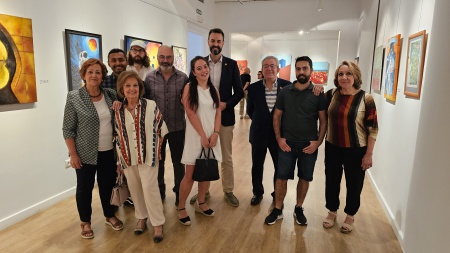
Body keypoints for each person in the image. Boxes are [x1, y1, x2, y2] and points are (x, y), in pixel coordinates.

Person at [62, 58, 123, 239]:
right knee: (84, 188)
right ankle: (85, 222)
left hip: (108, 152)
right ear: (84, 75)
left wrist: (119, 106)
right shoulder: (74, 97)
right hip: (84, 153)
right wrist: (73, 154)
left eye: (98, 72)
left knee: (107, 186)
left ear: (103, 75)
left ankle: (109, 215)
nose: (94, 75)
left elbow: (121, 116)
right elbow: (68, 128)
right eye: (90, 72)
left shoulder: (110, 94)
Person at [265, 56, 327, 226]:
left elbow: (323, 121)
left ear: (311, 71)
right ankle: (277, 209)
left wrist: (318, 142)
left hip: (309, 145)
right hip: (287, 144)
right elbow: (276, 116)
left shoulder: (318, 93)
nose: (301, 72)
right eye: (298, 69)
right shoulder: (285, 92)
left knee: (305, 177)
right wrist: (279, 138)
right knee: (281, 177)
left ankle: (298, 208)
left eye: (305, 68)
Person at [190, 28, 244, 207]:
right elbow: (192, 88)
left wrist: (226, 104)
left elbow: (239, 92)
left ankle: (228, 190)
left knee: (226, 157)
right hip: (204, 119)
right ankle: (202, 193)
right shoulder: (200, 64)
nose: (215, 44)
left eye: (219, 41)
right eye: (213, 41)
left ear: (223, 43)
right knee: (204, 155)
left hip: (225, 118)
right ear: (208, 42)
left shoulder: (232, 64)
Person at [322, 60, 378, 234]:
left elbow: (373, 128)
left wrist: (369, 154)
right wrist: (316, 88)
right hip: (332, 146)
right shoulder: (330, 94)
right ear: (336, 77)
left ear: (355, 76)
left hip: (356, 149)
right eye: (340, 74)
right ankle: (332, 211)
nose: (344, 77)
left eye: (348, 74)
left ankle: (350, 214)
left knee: (354, 183)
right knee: (331, 180)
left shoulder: (366, 98)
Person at [114, 70, 167, 243]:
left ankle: (157, 223)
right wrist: (118, 160)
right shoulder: (117, 109)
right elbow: (116, 136)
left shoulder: (150, 105)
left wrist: (157, 151)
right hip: (127, 157)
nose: (131, 89)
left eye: (135, 85)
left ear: (140, 87)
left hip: (148, 156)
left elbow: (161, 129)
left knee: (150, 189)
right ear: (122, 88)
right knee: (135, 190)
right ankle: (141, 217)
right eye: (127, 85)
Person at [177, 56, 222, 225]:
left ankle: (200, 202)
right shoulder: (189, 87)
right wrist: (203, 135)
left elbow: (218, 112)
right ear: (194, 72)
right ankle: (181, 207)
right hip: (196, 136)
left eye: (205, 67)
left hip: (212, 136)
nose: (204, 70)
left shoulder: (214, 89)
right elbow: (190, 112)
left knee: (206, 171)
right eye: (199, 68)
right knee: (189, 175)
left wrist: (215, 133)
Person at [144, 45, 189, 206]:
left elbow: (189, 101)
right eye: (162, 57)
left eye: (168, 57)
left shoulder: (183, 78)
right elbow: (145, 102)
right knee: (159, 162)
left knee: (178, 162)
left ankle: (179, 194)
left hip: (178, 127)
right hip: (156, 130)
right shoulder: (149, 78)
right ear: (157, 57)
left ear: (173, 58)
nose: (165, 60)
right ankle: (160, 192)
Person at [246, 56, 290, 206]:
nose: (269, 68)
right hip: (258, 134)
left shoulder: (287, 87)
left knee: (279, 167)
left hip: (279, 137)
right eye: (266, 66)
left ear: (278, 69)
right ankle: (257, 193)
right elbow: (250, 111)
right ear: (262, 69)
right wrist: (262, 122)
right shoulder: (253, 88)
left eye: (272, 65)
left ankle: (277, 193)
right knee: (257, 166)